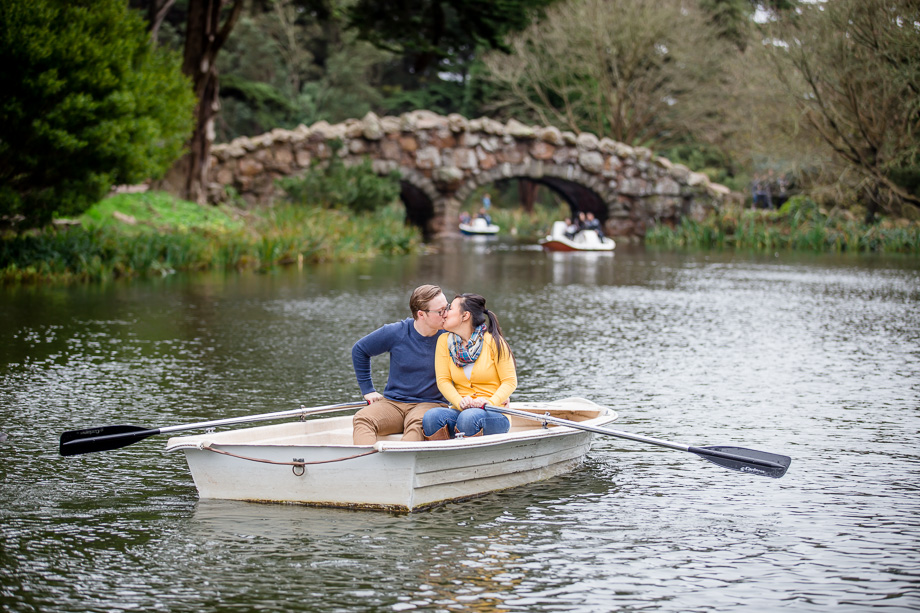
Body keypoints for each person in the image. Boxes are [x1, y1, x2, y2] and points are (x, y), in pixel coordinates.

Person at [351, 284, 449, 445]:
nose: (446, 315)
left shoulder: (451, 336)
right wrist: (367, 390)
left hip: (431, 404)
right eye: (440, 311)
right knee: (362, 419)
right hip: (394, 404)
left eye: (447, 308)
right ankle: (367, 466)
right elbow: (360, 350)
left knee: (417, 424)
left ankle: (399, 467)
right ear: (421, 314)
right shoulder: (396, 332)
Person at [422, 294, 517, 439]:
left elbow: (510, 381)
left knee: (469, 418)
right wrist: (460, 402)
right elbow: (443, 380)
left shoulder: (494, 342)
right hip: (461, 410)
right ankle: (442, 457)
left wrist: (489, 401)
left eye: (450, 308)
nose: (445, 313)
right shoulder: (444, 341)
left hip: (493, 411)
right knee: (431, 417)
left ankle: (469, 459)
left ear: (465, 315)